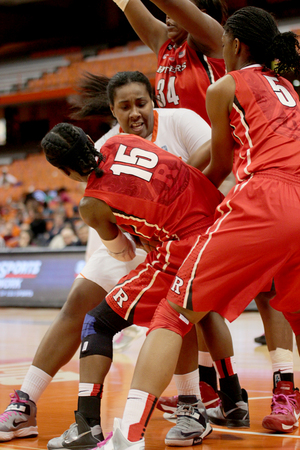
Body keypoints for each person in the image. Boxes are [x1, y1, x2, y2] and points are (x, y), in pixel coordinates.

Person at [92, 6, 300, 449]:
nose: (219, 46)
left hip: (264, 198)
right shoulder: (288, 87)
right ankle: (261, 393)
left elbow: (221, 163)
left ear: (235, 45)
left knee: (173, 310)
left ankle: (127, 437)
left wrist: (173, 201)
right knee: (291, 309)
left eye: (224, 40)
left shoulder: (226, 84)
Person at [0, 71, 222, 444]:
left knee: (167, 310)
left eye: (141, 103)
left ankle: (193, 404)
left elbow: (215, 154)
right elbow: (121, 248)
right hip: (165, 235)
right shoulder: (115, 141)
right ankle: (26, 403)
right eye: (125, 106)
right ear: (110, 115)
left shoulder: (180, 119)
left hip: (178, 238)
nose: (135, 112)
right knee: (83, 303)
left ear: (154, 101)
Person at [111, 0, 226, 124]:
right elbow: (126, 2)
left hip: (214, 140)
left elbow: (169, 3)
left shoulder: (213, 40)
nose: (168, 14)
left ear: (202, 14)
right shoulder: (166, 45)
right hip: (177, 142)